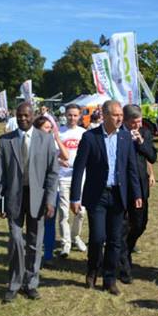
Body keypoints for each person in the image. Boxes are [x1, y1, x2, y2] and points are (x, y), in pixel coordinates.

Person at [70, 100, 142, 296]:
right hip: (97, 195)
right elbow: (79, 169)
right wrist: (75, 197)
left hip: (118, 195)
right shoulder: (90, 137)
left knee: (115, 240)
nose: (119, 118)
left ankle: (110, 279)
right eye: (115, 115)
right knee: (97, 237)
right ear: (104, 115)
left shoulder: (125, 138)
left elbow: (131, 168)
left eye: (121, 115)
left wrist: (136, 194)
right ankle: (93, 270)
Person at [0, 102, 59, 304]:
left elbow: (52, 173)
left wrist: (50, 200)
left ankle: (31, 283)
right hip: (13, 198)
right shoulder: (6, 141)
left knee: (34, 242)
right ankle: (14, 283)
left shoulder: (46, 139)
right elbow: (0, 174)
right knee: (16, 240)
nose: (22, 118)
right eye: (19, 115)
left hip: (38, 198)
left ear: (33, 116)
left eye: (26, 115)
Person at [118, 104, 157, 284]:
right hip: (123, 187)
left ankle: (125, 249)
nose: (137, 125)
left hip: (141, 187)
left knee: (140, 224)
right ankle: (124, 266)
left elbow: (153, 157)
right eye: (134, 123)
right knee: (123, 226)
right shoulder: (118, 134)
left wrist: (141, 142)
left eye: (139, 121)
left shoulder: (145, 133)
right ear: (126, 121)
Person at [34, 114, 69, 268]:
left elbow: (66, 155)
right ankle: (35, 253)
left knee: (49, 222)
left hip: (52, 189)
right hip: (35, 188)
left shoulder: (52, 143)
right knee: (36, 223)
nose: (49, 131)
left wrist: (57, 139)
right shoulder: (32, 143)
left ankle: (48, 254)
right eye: (46, 128)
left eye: (51, 128)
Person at [57, 104, 88, 258]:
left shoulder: (84, 133)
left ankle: (76, 236)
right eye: (69, 115)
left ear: (80, 116)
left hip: (80, 178)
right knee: (63, 213)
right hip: (63, 177)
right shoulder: (59, 132)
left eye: (75, 115)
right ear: (65, 115)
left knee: (81, 212)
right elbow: (52, 152)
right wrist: (58, 161)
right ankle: (66, 243)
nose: (72, 118)